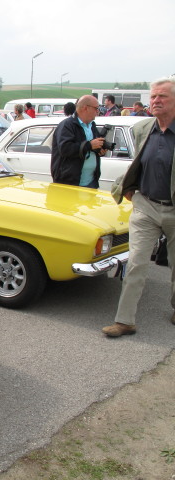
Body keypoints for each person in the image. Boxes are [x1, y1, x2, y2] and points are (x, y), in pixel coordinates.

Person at [105, 77, 175, 337]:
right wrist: (131, 190)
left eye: (162, 97)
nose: (155, 101)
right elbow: (139, 163)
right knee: (135, 263)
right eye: (153, 97)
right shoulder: (143, 128)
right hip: (145, 206)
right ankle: (125, 321)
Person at [50, 95, 106, 189]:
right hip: (70, 183)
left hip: (91, 181)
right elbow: (65, 149)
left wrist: (99, 150)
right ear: (85, 108)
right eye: (96, 108)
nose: (98, 111)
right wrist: (90, 145)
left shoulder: (91, 125)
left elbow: (90, 147)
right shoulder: (67, 125)